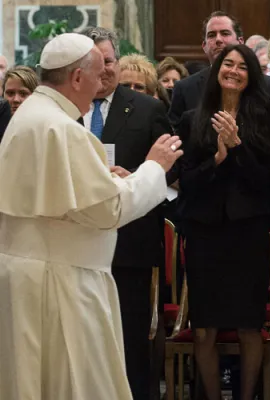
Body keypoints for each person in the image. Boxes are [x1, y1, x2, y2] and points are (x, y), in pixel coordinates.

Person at [0, 32, 182, 400]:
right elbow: (109, 211)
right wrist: (153, 168)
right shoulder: (64, 128)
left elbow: (66, 198)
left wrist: (102, 179)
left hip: (32, 273)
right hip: (61, 282)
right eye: (98, 75)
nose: (103, 84)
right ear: (77, 78)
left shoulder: (32, 115)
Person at [178, 44, 270, 400]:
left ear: (250, 75)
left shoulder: (265, 114)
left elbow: (268, 182)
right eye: (227, 64)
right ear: (217, 70)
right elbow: (184, 181)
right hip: (205, 234)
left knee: (249, 327)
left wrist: (236, 147)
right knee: (204, 329)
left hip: (248, 234)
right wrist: (218, 160)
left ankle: (247, 395)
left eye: (241, 66)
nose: (233, 71)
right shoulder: (193, 118)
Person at [81, 26, 175, 400]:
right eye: (95, 62)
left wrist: (138, 176)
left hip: (130, 247)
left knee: (130, 343)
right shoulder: (66, 111)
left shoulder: (148, 108)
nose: (103, 69)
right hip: (81, 245)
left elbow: (174, 166)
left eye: (108, 61)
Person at [168, 11, 270, 126]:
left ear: (240, 41)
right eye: (211, 35)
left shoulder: (268, 85)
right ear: (204, 46)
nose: (218, 40)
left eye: (225, 33)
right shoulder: (185, 88)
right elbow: (176, 136)